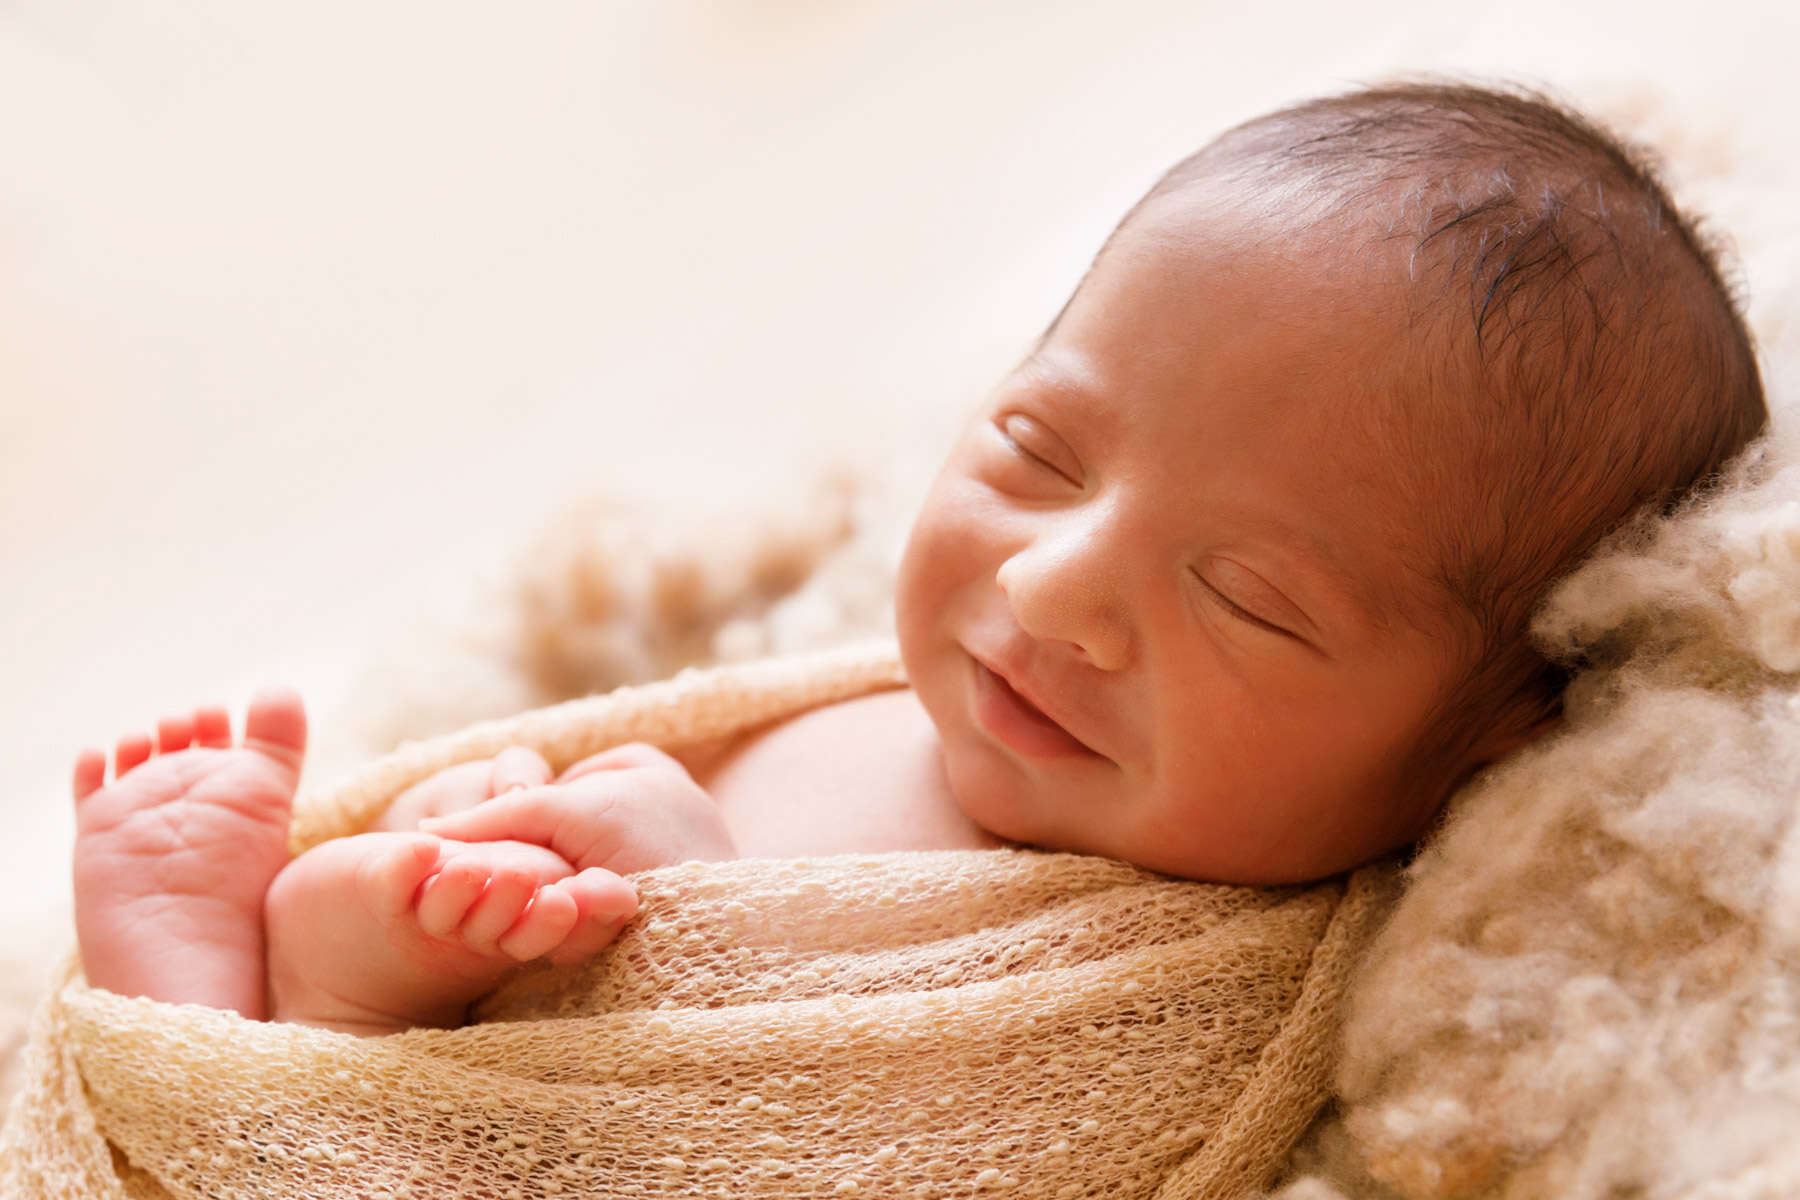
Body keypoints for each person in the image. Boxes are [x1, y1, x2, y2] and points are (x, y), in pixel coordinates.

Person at [68, 81, 1767, 1036]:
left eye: (1246, 594)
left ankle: (244, 1027)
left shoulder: (1175, 985)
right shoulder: (862, 691)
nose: (1044, 592)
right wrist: (469, 873)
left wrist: (693, 927)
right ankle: (256, 1015)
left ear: (1484, 739)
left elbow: (876, 1126)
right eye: (1037, 453)